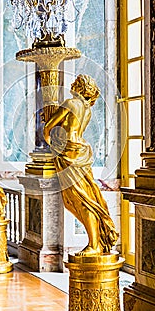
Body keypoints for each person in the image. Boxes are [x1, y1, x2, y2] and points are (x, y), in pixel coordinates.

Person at [43, 74, 118, 255]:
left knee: (81, 199)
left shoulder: (70, 103)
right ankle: (95, 241)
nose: (72, 84)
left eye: (75, 83)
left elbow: (49, 126)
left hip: (68, 151)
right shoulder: (87, 109)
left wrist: (51, 142)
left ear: (80, 87)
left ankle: (94, 245)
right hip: (81, 150)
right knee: (84, 197)